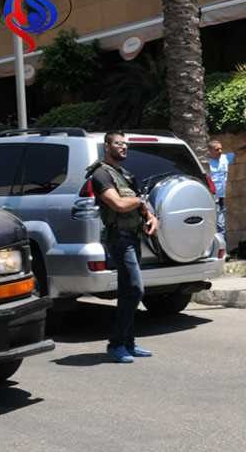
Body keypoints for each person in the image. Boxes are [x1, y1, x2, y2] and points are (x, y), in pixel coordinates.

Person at [87, 131, 159, 363]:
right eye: (118, 144)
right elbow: (118, 204)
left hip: (133, 236)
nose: (124, 147)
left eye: (125, 144)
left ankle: (128, 343)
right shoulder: (100, 175)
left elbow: (141, 204)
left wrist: (151, 217)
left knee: (128, 291)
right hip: (119, 238)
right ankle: (116, 344)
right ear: (107, 146)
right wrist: (139, 201)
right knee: (135, 289)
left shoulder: (125, 174)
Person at [207, 138, 246, 249]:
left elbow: (238, 153)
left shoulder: (224, 158)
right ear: (210, 151)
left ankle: (221, 250)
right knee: (212, 226)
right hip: (209, 198)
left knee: (221, 226)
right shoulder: (205, 163)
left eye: (221, 149)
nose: (220, 151)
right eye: (217, 149)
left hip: (220, 198)